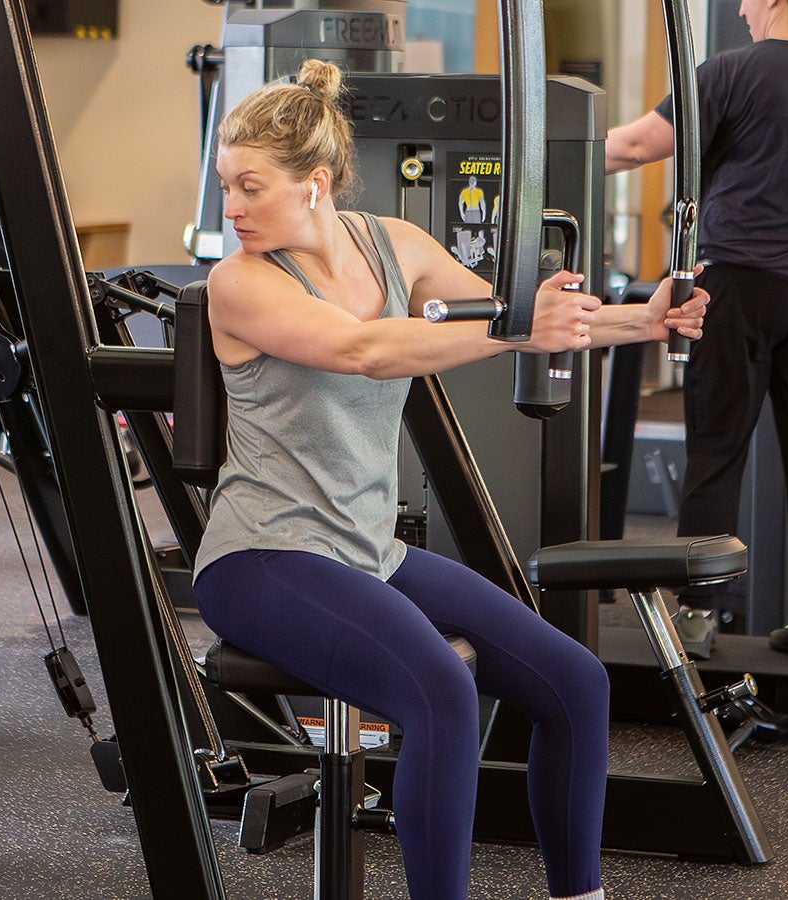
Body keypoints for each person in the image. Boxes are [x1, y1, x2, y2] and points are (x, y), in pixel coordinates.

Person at [193, 59, 708, 900]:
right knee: (440, 690)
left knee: (576, 684)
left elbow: (522, 321)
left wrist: (640, 320)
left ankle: (580, 894)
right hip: (262, 558)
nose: (233, 208)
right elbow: (367, 350)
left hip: (367, 548)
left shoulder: (392, 244)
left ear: (315, 184)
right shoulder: (239, 282)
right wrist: (518, 338)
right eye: (227, 186)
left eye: (251, 187)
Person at [603, 0, 788, 663]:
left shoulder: (727, 73)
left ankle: (697, 617)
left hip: (739, 286)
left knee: (717, 448)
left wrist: (540, 163)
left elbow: (632, 145)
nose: (740, 9)